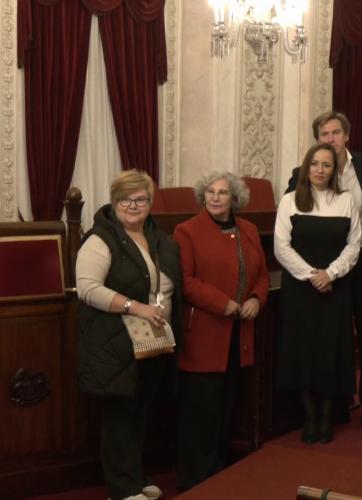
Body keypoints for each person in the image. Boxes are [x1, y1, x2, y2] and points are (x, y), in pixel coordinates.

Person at [75, 169, 182, 500]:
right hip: (114, 340)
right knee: (119, 415)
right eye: (125, 199)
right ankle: (121, 490)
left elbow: (167, 280)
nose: (133, 206)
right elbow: (87, 289)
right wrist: (135, 307)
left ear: (150, 202)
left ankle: (135, 477)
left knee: (140, 411)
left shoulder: (157, 236)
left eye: (141, 199)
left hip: (152, 337)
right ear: (114, 201)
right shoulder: (100, 239)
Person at [285, 111, 362, 434]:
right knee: (336, 340)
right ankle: (338, 408)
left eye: (335, 133)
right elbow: (293, 216)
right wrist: (322, 272)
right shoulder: (302, 173)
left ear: (347, 135)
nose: (330, 139)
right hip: (330, 272)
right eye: (324, 134)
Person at [173, 172, 269, 489]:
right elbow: (186, 281)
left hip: (239, 334)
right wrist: (222, 303)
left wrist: (256, 299)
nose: (215, 197)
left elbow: (262, 276)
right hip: (204, 333)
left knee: (227, 404)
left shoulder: (248, 229)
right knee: (201, 409)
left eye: (223, 193)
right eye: (210, 192)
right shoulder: (187, 231)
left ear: (234, 199)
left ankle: (216, 472)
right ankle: (195, 478)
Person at [275, 143, 361, 444]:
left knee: (329, 352)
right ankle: (309, 418)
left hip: (335, 288)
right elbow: (281, 247)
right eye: (314, 164)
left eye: (326, 165)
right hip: (301, 289)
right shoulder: (289, 201)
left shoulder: (346, 200)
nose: (320, 170)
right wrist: (313, 276)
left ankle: (326, 418)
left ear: (334, 170)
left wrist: (331, 274)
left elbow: (354, 245)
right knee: (303, 352)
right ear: (306, 167)